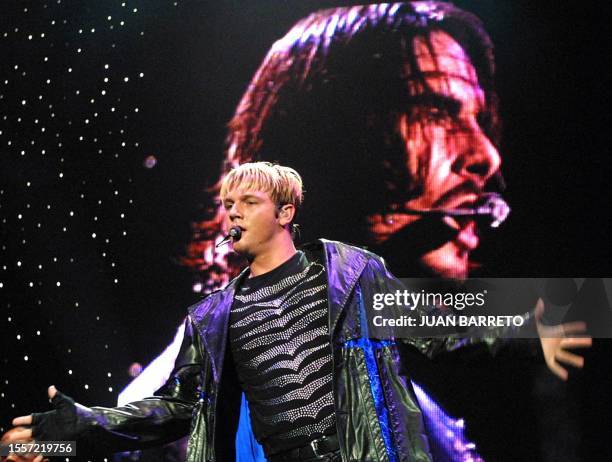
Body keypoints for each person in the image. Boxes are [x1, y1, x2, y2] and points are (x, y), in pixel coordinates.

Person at [5, 162, 591, 462]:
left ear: (285, 213)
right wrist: (73, 434)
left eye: (248, 202)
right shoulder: (211, 319)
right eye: (227, 204)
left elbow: (431, 318)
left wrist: (523, 326)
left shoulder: (350, 274)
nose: (231, 213)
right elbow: (169, 408)